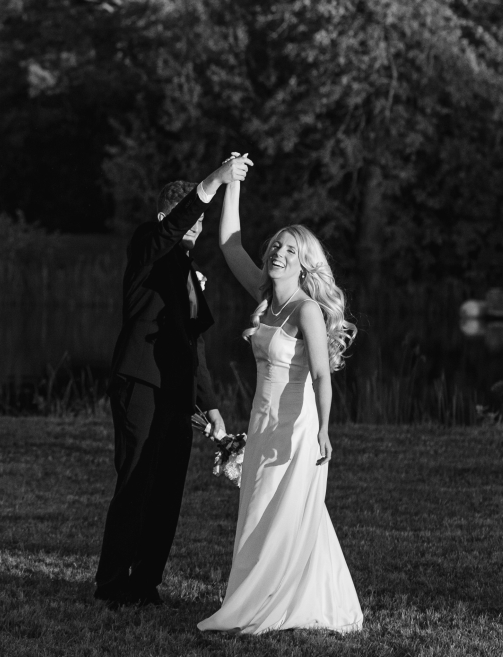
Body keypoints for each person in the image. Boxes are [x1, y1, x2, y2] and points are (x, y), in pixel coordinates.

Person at [197, 161, 363, 634]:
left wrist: (325, 431)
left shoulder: (306, 310)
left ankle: (264, 604)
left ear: (304, 262)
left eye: (290, 250)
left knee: (283, 505)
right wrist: (231, 185)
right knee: (258, 506)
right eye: (276, 246)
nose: (278, 253)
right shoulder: (266, 295)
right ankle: (261, 595)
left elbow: (319, 374)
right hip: (262, 417)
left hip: (296, 422)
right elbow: (230, 245)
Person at [95, 154, 247, 607]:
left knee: (167, 490)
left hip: (178, 397)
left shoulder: (189, 275)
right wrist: (215, 181)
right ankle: (111, 584)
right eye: (191, 220)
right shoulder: (147, 244)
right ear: (168, 216)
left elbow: (192, 347)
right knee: (137, 481)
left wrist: (213, 407)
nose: (196, 229)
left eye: (202, 223)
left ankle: (145, 581)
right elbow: (169, 230)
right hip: (140, 383)